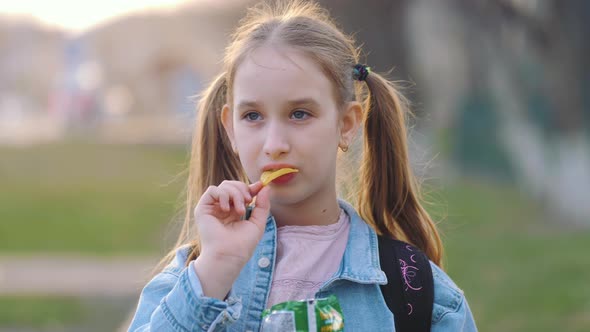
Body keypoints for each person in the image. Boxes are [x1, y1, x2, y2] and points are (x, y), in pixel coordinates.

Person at [128, 1, 477, 331]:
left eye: (299, 114)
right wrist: (216, 269)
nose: (275, 144)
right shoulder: (193, 277)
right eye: (252, 116)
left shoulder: (418, 294)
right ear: (230, 129)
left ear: (346, 124)